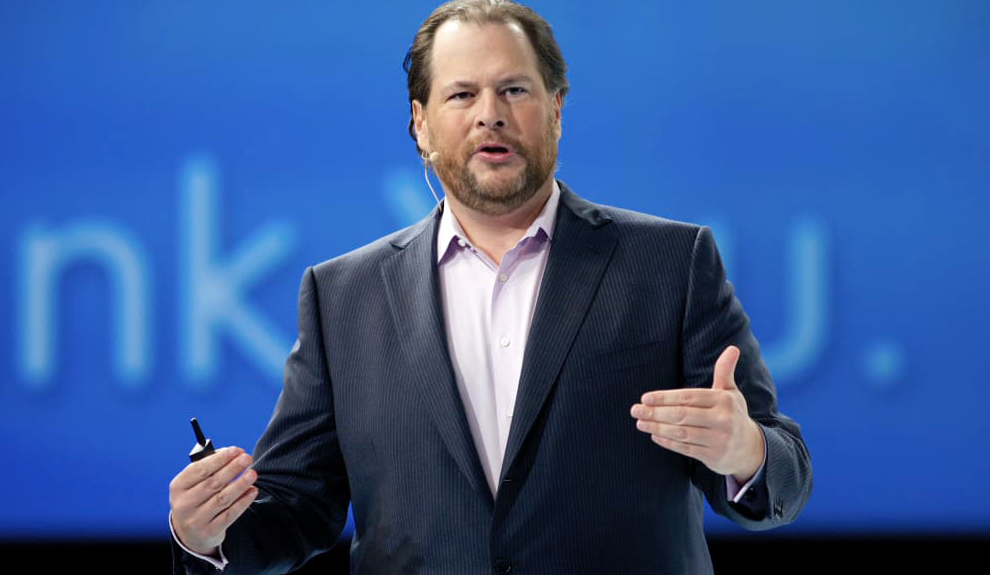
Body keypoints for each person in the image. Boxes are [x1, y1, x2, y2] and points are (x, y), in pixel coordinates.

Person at [168, 0, 812, 573]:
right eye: (461, 95)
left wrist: (746, 451)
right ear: (420, 124)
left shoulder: (670, 263)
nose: (490, 116)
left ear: (556, 109)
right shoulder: (341, 297)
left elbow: (786, 471)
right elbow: (297, 506)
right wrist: (205, 535)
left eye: (513, 90)